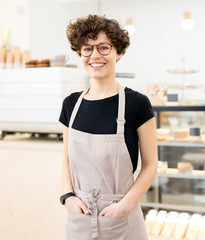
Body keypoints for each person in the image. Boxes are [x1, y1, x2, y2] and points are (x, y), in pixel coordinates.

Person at [59, 14, 158, 240]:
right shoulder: (70, 105)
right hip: (80, 217)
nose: (95, 55)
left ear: (119, 52)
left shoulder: (137, 104)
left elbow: (151, 165)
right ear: (80, 53)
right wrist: (67, 197)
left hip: (120, 218)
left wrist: (124, 206)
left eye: (104, 47)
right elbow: (65, 158)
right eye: (87, 49)